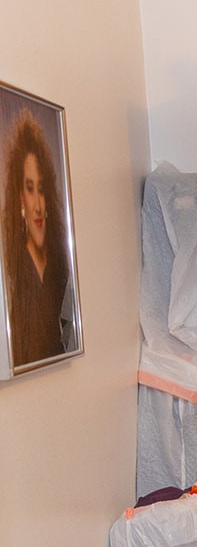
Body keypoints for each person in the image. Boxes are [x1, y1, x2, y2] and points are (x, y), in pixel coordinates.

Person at [3, 111, 72, 367]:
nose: (37, 206)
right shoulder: (13, 269)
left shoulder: (60, 263)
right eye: (29, 188)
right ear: (20, 197)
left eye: (41, 189)